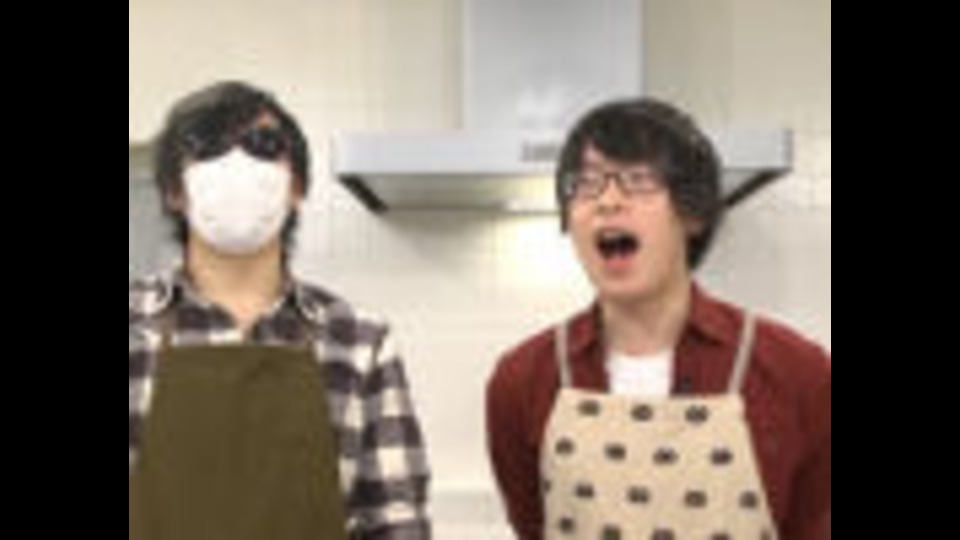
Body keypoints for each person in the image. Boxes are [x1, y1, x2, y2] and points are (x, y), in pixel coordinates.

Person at [486, 98, 831, 540]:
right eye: (586, 184)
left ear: (692, 213)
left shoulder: (797, 373)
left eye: (639, 180)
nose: (608, 201)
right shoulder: (521, 381)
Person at [129, 81, 431, 540]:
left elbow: (395, 522)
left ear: (297, 187)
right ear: (173, 191)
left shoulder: (359, 340)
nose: (237, 165)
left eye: (263, 146)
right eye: (207, 148)